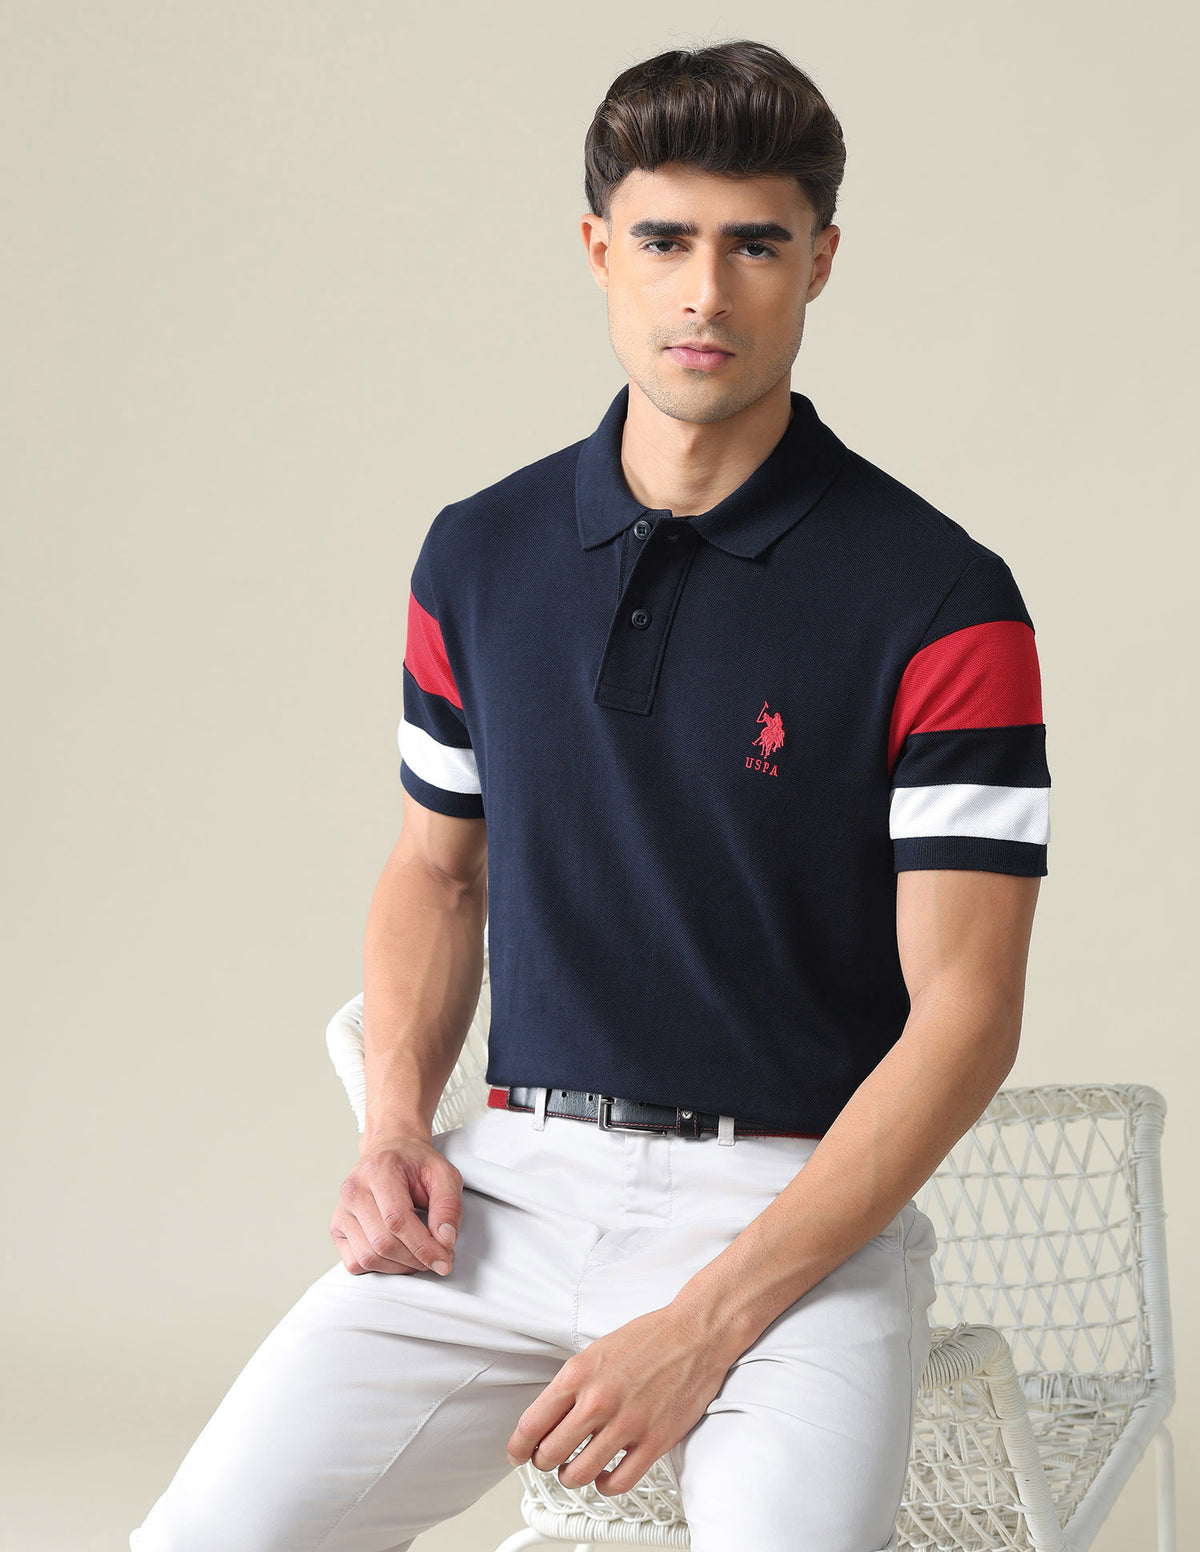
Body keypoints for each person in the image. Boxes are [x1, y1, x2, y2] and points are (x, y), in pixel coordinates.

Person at [130, 37, 1050, 1552]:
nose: (707, 294)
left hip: (792, 1222)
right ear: (598, 251)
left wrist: (705, 1321)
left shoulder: (942, 601)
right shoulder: (478, 556)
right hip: (505, 1195)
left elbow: (968, 1015)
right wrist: (394, 1128)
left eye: (756, 245)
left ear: (820, 263)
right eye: (665, 241)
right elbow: (437, 871)